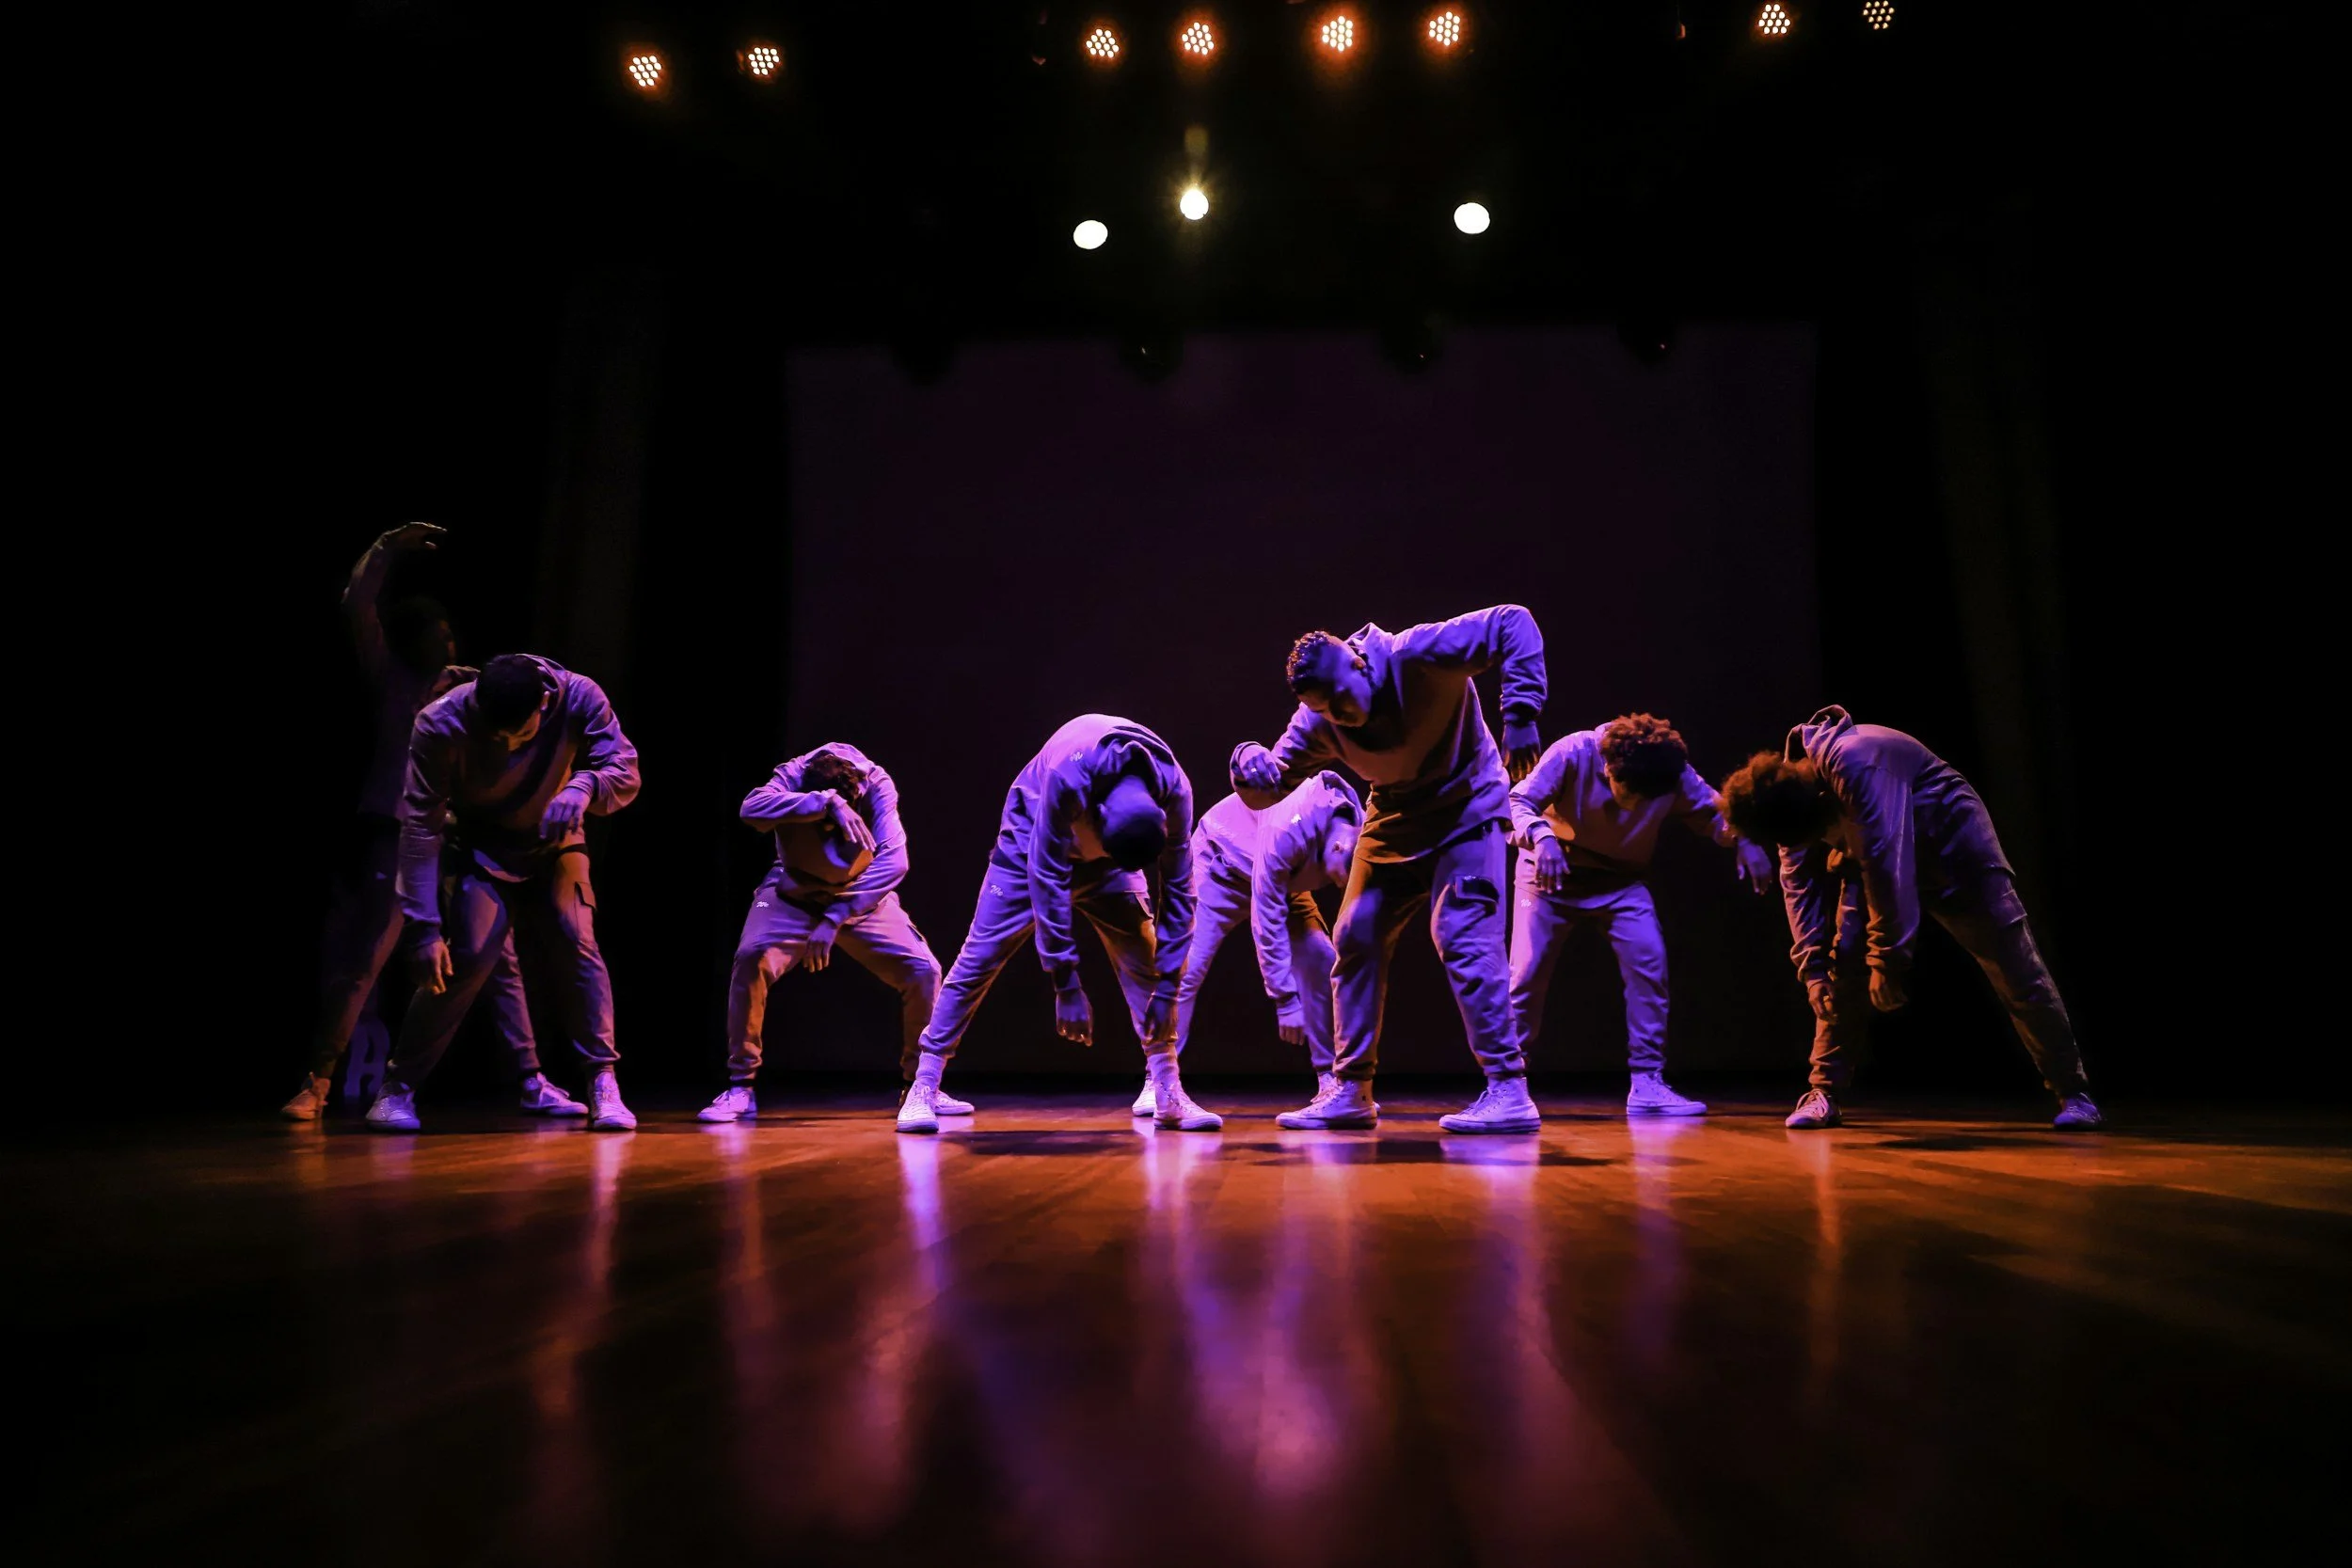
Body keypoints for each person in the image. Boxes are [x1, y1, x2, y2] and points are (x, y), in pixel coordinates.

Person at [283, 524, 581, 1122]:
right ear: (409, 640)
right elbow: (357, 605)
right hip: (396, 832)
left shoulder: (471, 690)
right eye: (434, 633)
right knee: (370, 952)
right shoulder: (391, 680)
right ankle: (316, 1081)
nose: (445, 641)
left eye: (449, 633)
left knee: (498, 957)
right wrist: (386, 550)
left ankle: (530, 1080)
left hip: (463, 837)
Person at [1231, 606, 1548, 1134]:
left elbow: (1513, 623)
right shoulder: (1319, 720)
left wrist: (1520, 713)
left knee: (1463, 935)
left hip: (1467, 806)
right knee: (1355, 934)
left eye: (1338, 699)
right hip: (1396, 818)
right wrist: (1246, 762)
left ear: (1358, 662)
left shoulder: (1416, 654)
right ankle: (1351, 1090)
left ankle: (1509, 1090)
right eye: (1323, 710)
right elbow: (1271, 785)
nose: (1335, 716)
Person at [1720, 705, 2101, 1131]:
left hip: (1954, 850)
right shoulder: (1785, 793)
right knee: (1842, 969)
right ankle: (1823, 1091)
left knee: (2016, 970)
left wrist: (1886, 961)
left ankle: (2074, 1092)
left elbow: (1886, 859)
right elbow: (1798, 883)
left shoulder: (1856, 762)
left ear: (1821, 804)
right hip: (1869, 859)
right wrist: (1812, 968)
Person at [366, 653, 644, 1132]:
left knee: (575, 934)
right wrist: (424, 927)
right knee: (468, 954)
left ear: (545, 700)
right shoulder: (440, 723)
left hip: (556, 838)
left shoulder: (578, 694)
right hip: (480, 846)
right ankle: (397, 1087)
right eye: (498, 733)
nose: (509, 744)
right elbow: (419, 828)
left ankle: (602, 1080)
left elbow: (625, 769)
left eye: (522, 732)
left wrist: (584, 785)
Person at [900, 715, 1198, 1134]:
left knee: (1146, 961)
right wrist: (1065, 980)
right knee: (978, 959)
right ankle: (924, 1085)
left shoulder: (1174, 788)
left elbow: (1182, 892)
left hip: (1112, 864)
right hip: (1030, 849)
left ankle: (1167, 1089)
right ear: (1097, 813)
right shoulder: (1068, 774)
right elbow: (1047, 873)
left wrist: (1169, 986)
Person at [1506, 713, 1776, 1116]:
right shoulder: (1574, 752)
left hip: (1620, 883)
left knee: (1650, 967)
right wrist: (1540, 835)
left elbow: (1715, 812)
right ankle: (1507, 1084)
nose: (1631, 804)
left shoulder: (1670, 771)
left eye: (1644, 800)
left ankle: (1648, 1083)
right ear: (1609, 767)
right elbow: (1519, 800)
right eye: (1625, 790)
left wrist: (1745, 839)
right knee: (1525, 976)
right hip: (1548, 878)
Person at [698, 743, 947, 1123]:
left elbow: (896, 860)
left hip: (858, 897)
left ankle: (920, 1087)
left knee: (923, 970)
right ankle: (740, 1086)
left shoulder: (876, 784)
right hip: (792, 893)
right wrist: (823, 803)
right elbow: (750, 807)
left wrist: (836, 916)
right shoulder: (793, 774)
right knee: (752, 957)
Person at [1129, 771, 1362, 1126]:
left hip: (1284, 881)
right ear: (1337, 847)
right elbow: (1265, 913)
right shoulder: (1288, 829)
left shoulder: (1355, 829)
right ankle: (1157, 1080)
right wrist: (1284, 998)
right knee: (1182, 970)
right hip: (1220, 865)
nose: (1333, 883)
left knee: (1321, 958)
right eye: (1333, 875)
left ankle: (1332, 1080)